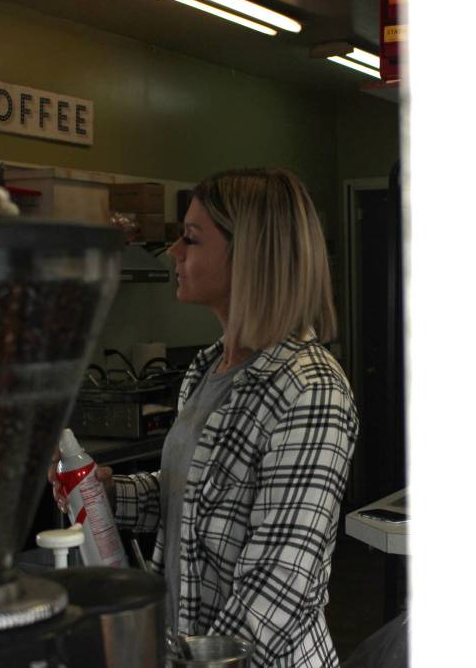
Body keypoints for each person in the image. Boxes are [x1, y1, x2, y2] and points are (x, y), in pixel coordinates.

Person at [50, 167, 359, 667]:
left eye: (190, 240)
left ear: (249, 257)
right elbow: (189, 502)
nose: (174, 252)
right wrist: (108, 494)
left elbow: (276, 593)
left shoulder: (310, 390)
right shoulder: (206, 369)